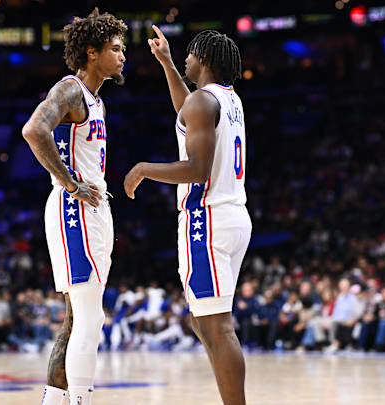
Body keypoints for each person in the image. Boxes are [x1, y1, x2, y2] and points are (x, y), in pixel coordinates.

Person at [124, 26, 250, 405]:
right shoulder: (226, 100)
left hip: (205, 219)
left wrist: (144, 168)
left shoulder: (202, 103)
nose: (186, 58)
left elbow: (197, 169)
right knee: (204, 321)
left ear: (206, 60)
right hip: (232, 215)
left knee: (217, 326)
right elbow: (186, 113)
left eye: (191, 53)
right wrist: (164, 62)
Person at [20, 8, 127, 405]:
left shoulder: (96, 101)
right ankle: (81, 399)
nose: (122, 56)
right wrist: (70, 183)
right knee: (90, 316)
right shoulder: (71, 89)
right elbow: (34, 130)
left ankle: (55, 401)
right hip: (74, 211)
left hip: (90, 210)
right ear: (92, 52)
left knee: (75, 317)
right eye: (115, 49)